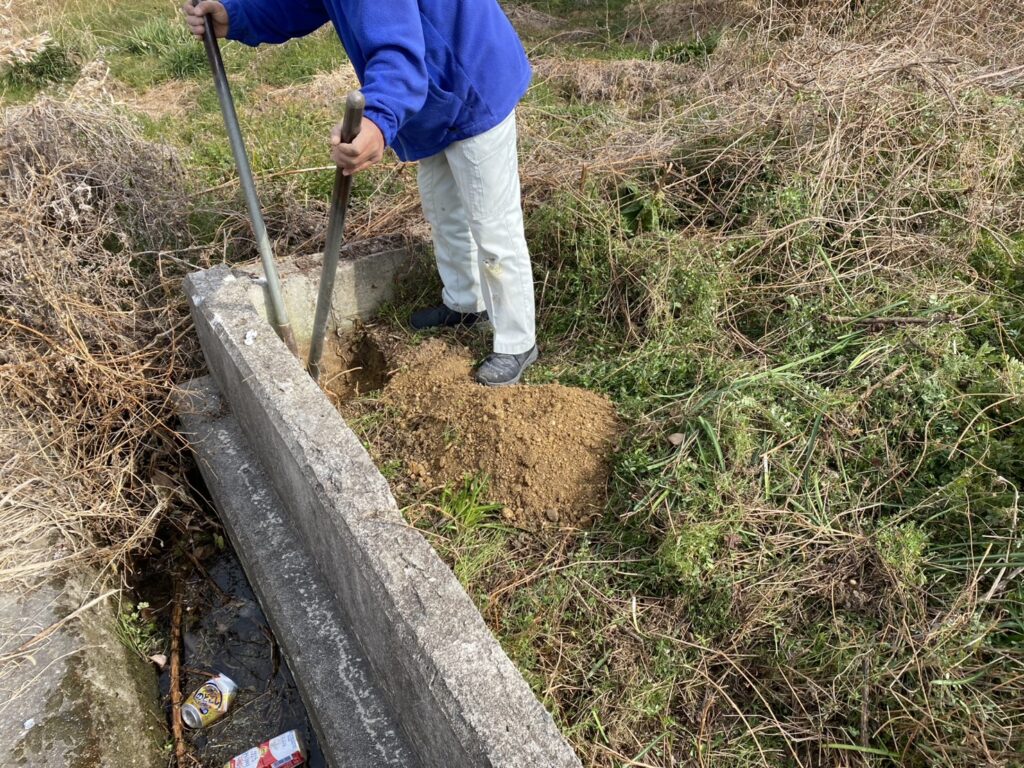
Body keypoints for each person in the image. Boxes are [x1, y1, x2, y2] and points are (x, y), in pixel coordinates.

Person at [183, 0, 539, 386]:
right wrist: (237, 16)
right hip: (435, 90)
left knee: (491, 223)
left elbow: (397, 52)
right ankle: (467, 305)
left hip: (471, 75)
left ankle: (517, 341)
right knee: (443, 207)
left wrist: (379, 119)